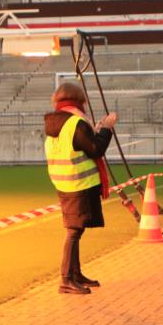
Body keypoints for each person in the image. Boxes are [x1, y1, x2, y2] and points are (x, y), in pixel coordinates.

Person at [44, 81, 115, 295]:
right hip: (80, 183)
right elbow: (95, 149)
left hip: (65, 182)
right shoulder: (76, 122)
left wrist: (96, 131)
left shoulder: (56, 122)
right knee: (74, 231)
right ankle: (66, 279)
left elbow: (80, 146)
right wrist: (107, 129)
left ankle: (75, 274)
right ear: (79, 99)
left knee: (76, 229)